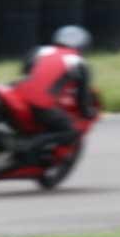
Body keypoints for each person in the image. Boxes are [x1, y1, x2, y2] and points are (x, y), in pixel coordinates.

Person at [14, 26, 96, 164]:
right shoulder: (79, 63)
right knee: (72, 131)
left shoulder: (40, 50)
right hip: (40, 104)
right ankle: (29, 145)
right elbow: (82, 98)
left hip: (17, 93)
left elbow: (24, 71)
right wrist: (88, 113)